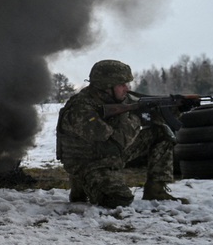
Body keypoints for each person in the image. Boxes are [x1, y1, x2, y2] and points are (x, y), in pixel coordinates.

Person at [56, 59, 186, 207]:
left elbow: (151, 115)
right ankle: (81, 182)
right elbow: (115, 143)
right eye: (122, 84)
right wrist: (135, 118)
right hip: (87, 162)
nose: (127, 88)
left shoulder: (119, 98)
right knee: (118, 200)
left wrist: (175, 109)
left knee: (161, 132)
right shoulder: (81, 108)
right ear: (106, 86)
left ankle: (156, 190)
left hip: (107, 155)